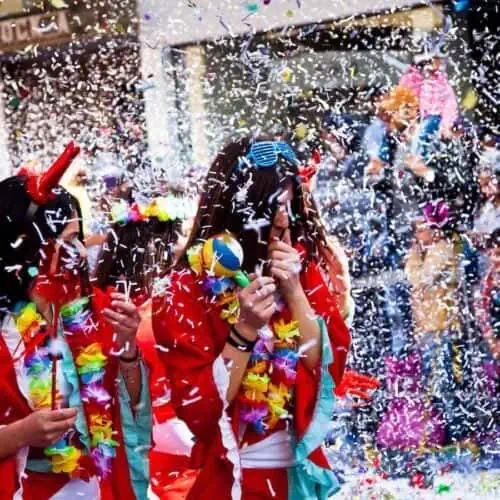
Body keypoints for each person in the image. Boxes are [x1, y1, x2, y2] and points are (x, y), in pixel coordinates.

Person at [152, 138, 351, 499]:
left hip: (298, 480)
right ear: (239, 208)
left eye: (291, 205)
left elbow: (327, 367)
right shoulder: (184, 287)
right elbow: (200, 410)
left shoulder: (296, 268)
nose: (283, 219)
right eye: (274, 206)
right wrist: (244, 330)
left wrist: (293, 290)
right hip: (235, 481)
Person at [0, 143, 151, 499]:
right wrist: (21, 434)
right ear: (26, 250)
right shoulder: (5, 331)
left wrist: (128, 348)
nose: (82, 253)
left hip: (100, 486)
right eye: (68, 242)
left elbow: (129, 414)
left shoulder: (95, 311)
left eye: (80, 239)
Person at [93, 193, 199, 499]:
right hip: (166, 451)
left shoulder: (95, 305)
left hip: (127, 455)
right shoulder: (155, 312)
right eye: (180, 244)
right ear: (159, 250)